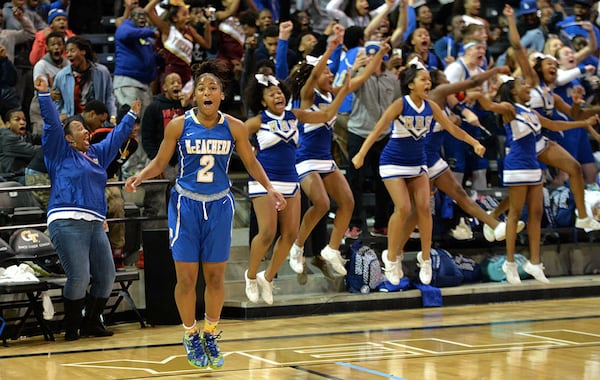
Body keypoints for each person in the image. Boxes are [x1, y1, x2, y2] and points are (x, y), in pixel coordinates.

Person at [124, 60, 286, 369]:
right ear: (194, 96)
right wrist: (141, 176)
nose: (207, 92)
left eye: (213, 88)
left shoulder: (234, 126)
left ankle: (210, 332)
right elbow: (160, 162)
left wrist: (270, 188)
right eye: (201, 88)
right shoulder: (179, 125)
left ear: (222, 95)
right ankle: (190, 333)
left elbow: (251, 163)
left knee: (215, 276)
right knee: (186, 278)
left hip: (220, 205)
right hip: (186, 205)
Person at [352, 59, 485, 285]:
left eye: (429, 80)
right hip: (393, 162)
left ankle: (425, 258)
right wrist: (362, 153)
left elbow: (452, 128)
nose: (428, 83)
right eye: (423, 79)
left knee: (424, 208)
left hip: (417, 164)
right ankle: (392, 258)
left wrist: (474, 143)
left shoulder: (432, 107)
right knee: (403, 208)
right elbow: (377, 129)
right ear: (410, 84)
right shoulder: (400, 104)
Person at [34, 76, 141, 341]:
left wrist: (131, 117)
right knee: (79, 277)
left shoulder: (96, 154)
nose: (86, 132)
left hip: (94, 224)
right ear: (68, 138)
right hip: (66, 221)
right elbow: (50, 124)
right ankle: (71, 328)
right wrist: (45, 95)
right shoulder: (59, 152)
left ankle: (91, 323)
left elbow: (115, 139)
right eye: (79, 129)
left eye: (86, 129)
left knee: (106, 275)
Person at [472, 77, 599, 284]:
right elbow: (490, 105)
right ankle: (510, 263)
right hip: (517, 165)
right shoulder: (509, 108)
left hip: (533, 166)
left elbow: (555, 124)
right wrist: (478, 94)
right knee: (515, 213)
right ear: (513, 91)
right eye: (523, 85)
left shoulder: (531, 112)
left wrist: (583, 123)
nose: (528, 86)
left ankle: (534, 262)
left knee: (536, 214)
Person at [243, 67, 350, 304]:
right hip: (265, 182)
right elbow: (234, 136)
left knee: (290, 234)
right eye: (271, 93)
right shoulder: (257, 122)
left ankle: (267, 277)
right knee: (268, 232)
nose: (277, 95)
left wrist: (343, 91)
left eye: (279, 91)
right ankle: (251, 275)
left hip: (291, 180)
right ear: (262, 101)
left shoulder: (295, 115)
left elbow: (326, 115)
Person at [287, 27, 352, 278]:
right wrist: (332, 47)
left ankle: (332, 249)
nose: (330, 73)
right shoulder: (306, 97)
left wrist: (374, 59)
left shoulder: (330, 95)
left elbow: (353, 83)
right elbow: (314, 74)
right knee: (322, 203)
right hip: (304, 159)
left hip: (325, 159)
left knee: (347, 202)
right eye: (326, 71)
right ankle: (298, 245)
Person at [144, 0, 211, 94]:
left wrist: (207, 25)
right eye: (184, 14)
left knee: (187, 106)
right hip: (171, 74)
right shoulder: (167, 29)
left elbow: (207, 45)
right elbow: (147, 10)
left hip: (187, 75)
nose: (188, 17)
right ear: (175, 18)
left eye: (188, 14)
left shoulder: (190, 30)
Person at [52, 36, 117, 121]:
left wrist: (113, 115)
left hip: (96, 121)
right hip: (72, 122)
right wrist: (59, 117)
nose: (69, 55)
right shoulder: (61, 76)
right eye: (67, 52)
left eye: (72, 51)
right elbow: (57, 102)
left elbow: (109, 97)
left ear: (83, 51)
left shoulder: (102, 72)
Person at [0, 108, 40, 183]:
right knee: (42, 181)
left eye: (24, 120)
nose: (22, 122)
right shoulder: (7, 138)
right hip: (9, 178)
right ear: (8, 124)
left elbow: (42, 138)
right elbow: (33, 152)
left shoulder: (26, 136)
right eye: (17, 120)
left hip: (21, 175)